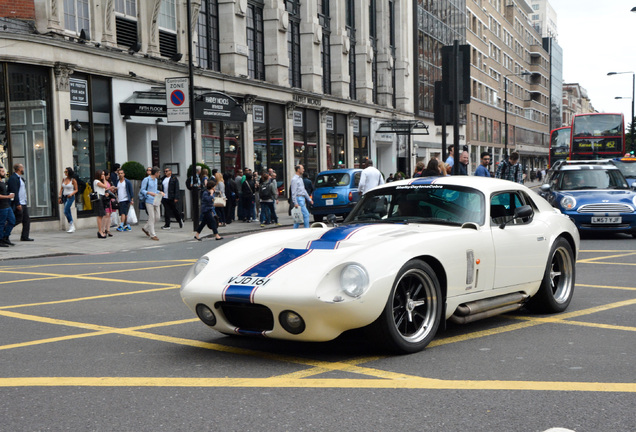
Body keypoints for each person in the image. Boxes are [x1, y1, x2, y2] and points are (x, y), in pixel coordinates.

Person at [8, 163, 33, 242]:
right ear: (19, 169)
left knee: (26, 220)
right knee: (17, 219)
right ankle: (4, 231)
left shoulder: (20, 178)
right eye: (22, 167)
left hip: (23, 202)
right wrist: (17, 203)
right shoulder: (13, 178)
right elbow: (14, 191)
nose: (23, 169)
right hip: (19, 203)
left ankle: (24, 236)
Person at [140, 166, 163, 241]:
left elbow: (155, 190)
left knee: (157, 217)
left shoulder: (156, 180)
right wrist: (149, 193)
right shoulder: (146, 179)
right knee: (152, 217)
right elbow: (142, 190)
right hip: (149, 200)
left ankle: (146, 228)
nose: (159, 174)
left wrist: (159, 192)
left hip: (156, 199)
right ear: (156, 173)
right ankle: (152, 234)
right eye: (159, 172)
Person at [291, 164, 313, 228]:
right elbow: (293, 192)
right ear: (298, 170)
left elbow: (304, 190)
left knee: (299, 216)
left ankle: (295, 230)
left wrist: (309, 199)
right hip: (299, 198)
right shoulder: (294, 179)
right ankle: (306, 229)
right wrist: (295, 202)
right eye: (302, 168)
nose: (303, 170)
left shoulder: (300, 179)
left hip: (302, 198)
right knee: (306, 214)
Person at [59, 167, 78, 233]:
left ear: (69, 172)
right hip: (64, 196)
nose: (65, 173)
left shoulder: (73, 180)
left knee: (65, 210)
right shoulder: (64, 179)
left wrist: (71, 194)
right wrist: (59, 197)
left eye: (66, 172)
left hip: (70, 197)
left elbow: (76, 189)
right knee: (68, 211)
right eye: (65, 172)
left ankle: (71, 224)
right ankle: (71, 225)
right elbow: (61, 188)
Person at [0, 166, 16, 247]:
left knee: (12, 221)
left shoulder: (2, 182)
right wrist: (7, 197)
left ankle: (5, 237)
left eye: (4, 171)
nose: (4, 172)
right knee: (1, 223)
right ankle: (0, 240)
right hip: (1, 206)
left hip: (7, 205)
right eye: (2, 171)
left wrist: (9, 195)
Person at [93, 170, 110, 239]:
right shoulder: (96, 181)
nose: (103, 176)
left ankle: (101, 231)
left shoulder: (100, 181)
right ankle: (100, 231)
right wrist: (104, 179)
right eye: (102, 174)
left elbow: (104, 189)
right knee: (100, 215)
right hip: (98, 198)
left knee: (103, 214)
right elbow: (105, 186)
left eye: (103, 175)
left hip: (102, 197)